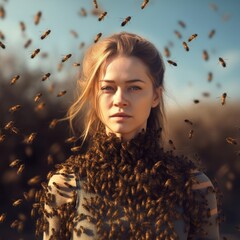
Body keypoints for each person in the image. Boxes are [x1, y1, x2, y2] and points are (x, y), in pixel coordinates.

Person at [34, 32, 220, 240]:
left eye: (134, 87)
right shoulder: (65, 184)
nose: (120, 99)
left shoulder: (195, 185)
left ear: (155, 96)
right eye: (107, 88)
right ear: (94, 96)